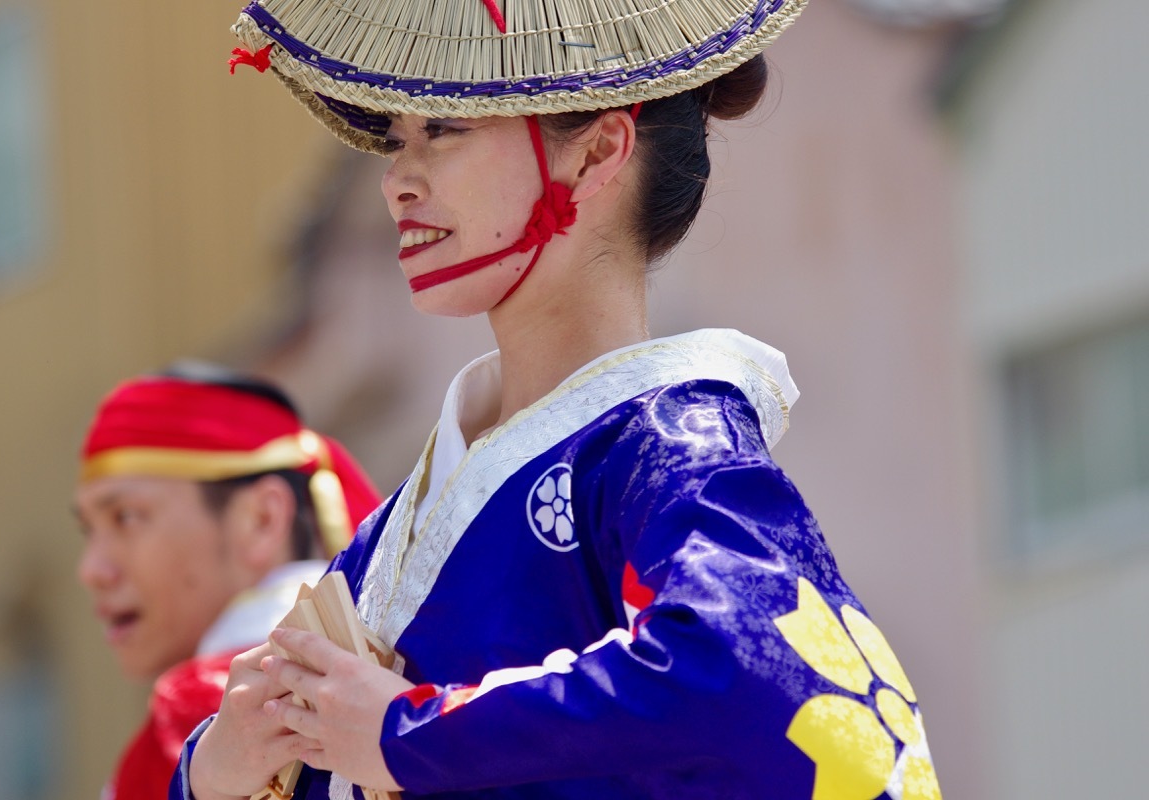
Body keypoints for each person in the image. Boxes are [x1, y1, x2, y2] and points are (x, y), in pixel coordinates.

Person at [177, 1, 943, 798]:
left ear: (597, 151)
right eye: (397, 139)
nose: (397, 181)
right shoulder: (408, 517)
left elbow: (750, 663)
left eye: (443, 128)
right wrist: (214, 769)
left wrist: (409, 733)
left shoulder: (668, 442)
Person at [75, 363, 381, 800]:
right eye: (89, 530)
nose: (91, 569)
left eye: (125, 517)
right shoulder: (394, 664)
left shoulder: (215, 708)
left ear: (261, 519)